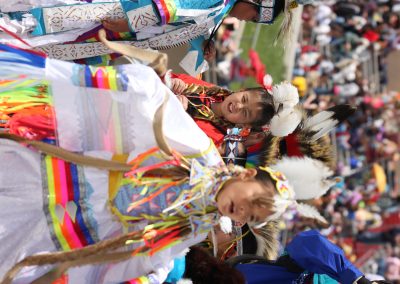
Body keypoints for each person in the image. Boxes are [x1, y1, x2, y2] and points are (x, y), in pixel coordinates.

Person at [0, 0, 306, 74]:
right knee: (44, 25)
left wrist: (203, 47)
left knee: (55, 44)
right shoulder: (216, 2)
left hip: (118, 35)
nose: (244, 20)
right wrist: (129, 20)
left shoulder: (217, 12)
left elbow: (178, 27)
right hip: (117, 16)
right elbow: (171, 6)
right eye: (251, 16)